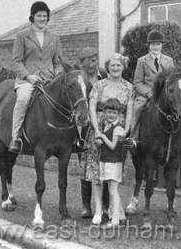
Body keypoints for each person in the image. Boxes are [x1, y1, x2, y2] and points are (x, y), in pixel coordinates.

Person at [79, 52, 134, 225]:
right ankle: (97, 210)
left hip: (118, 131)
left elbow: (130, 111)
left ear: (123, 67)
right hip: (100, 128)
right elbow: (92, 108)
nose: (116, 68)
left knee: (114, 171)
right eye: (112, 65)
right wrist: (96, 130)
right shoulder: (99, 85)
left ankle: (114, 209)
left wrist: (125, 130)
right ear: (108, 67)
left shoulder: (128, 87)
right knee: (97, 172)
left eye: (119, 65)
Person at [129, 29, 181, 154]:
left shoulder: (168, 60)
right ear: (149, 46)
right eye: (153, 44)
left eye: (158, 44)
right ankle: (134, 139)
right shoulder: (142, 61)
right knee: (138, 107)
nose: (155, 47)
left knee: (180, 107)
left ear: (162, 45)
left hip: (164, 94)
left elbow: (172, 79)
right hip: (147, 94)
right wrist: (149, 93)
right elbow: (137, 82)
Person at [9, 1, 63, 153]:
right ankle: (16, 137)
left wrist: (57, 76)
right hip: (28, 80)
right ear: (32, 17)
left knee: (68, 98)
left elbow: (58, 62)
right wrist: (28, 76)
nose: (42, 19)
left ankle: (75, 138)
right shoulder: (22, 36)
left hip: (49, 79)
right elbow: (16, 62)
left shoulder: (54, 37)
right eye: (39, 16)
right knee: (23, 99)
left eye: (44, 16)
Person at [76, 47, 109, 219]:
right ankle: (86, 206)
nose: (92, 62)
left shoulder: (103, 74)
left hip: (103, 122)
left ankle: (105, 206)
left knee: (104, 164)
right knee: (86, 164)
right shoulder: (78, 77)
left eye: (94, 58)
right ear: (81, 63)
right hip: (84, 124)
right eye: (87, 59)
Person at [92, 98, 125, 228]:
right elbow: (104, 144)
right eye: (109, 112)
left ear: (118, 114)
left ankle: (116, 219)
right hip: (105, 161)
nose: (111, 115)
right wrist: (99, 140)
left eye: (114, 113)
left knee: (113, 190)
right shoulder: (107, 126)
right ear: (104, 112)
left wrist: (102, 136)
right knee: (110, 189)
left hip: (114, 162)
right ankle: (114, 218)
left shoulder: (118, 128)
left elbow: (112, 145)